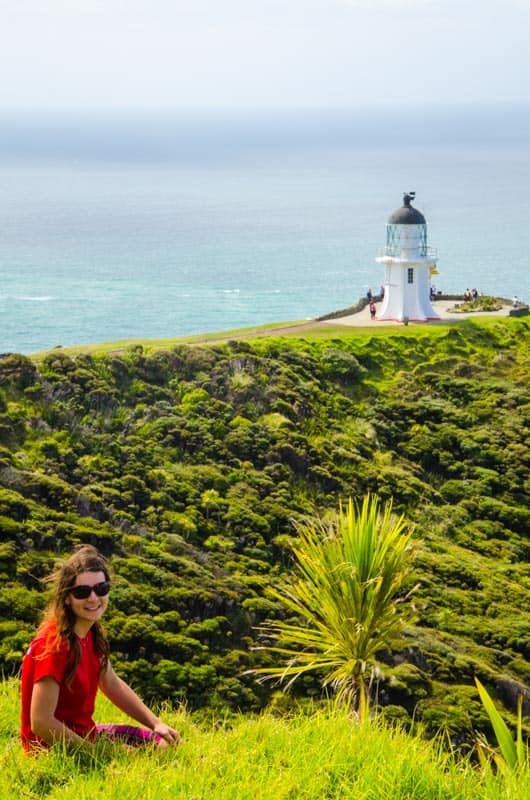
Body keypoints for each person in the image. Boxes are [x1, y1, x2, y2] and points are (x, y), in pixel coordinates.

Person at [20, 544, 181, 752]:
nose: (93, 598)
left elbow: (111, 683)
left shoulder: (91, 633)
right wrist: (98, 755)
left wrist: (156, 723)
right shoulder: (54, 646)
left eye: (101, 589)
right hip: (52, 750)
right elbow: (41, 722)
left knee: (165, 743)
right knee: (143, 755)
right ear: (67, 598)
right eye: (82, 592)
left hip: (86, 734)